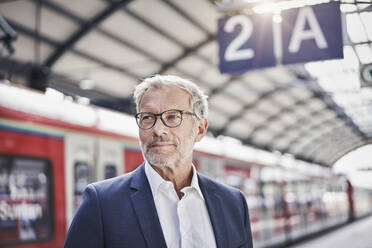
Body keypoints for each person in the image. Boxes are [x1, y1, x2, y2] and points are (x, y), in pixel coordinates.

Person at [64, 75, 253, 248]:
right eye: (147, 117)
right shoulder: (101, 203)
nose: (158, 129)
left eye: (172, 116)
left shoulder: (233, 203)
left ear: (200, 129)